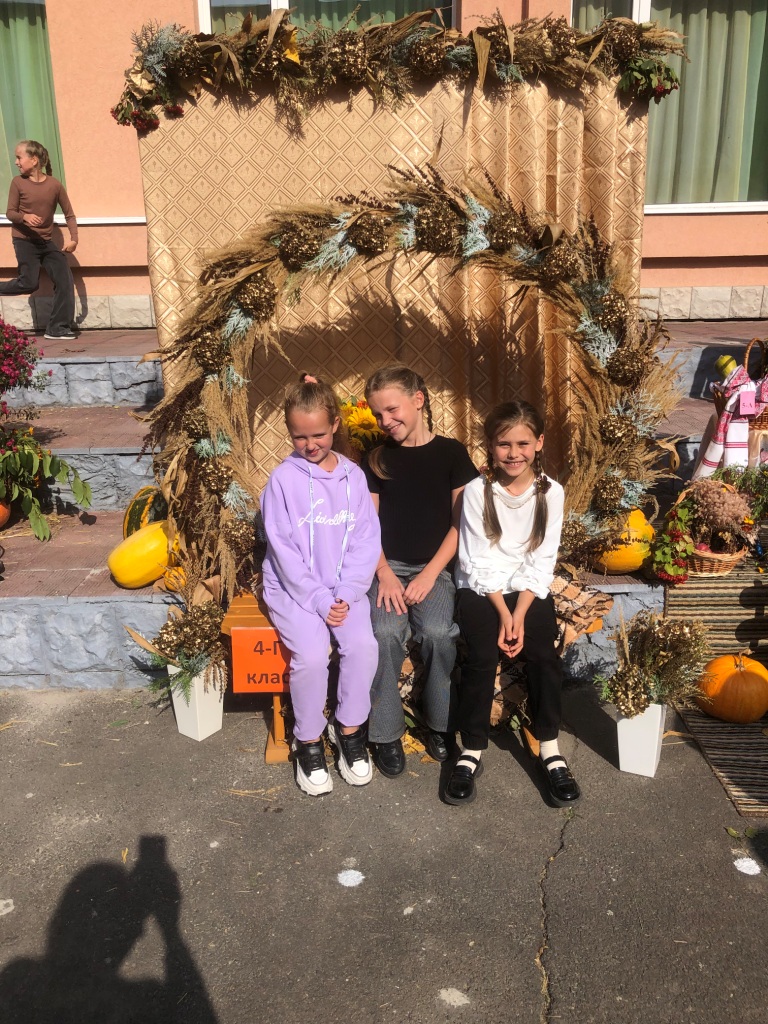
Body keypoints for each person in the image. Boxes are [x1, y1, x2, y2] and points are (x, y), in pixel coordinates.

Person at [446, 400, 580, 807]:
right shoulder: (477, 491)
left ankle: (549, 747)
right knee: (482, 654)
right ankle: (471, 749)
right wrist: (504, 615)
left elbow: (542, 558)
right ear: (490, 445)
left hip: (525, 588)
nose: (513, 453)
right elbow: (476, 558)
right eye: (503, 444)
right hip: (481, 587)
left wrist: (520, 613)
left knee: (543, 653)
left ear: (539, 443)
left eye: (523, 443)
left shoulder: (550, 493)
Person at [261, 374, 381, 797]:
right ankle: (308, 739)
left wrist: (346, 593)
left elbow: (366, 540)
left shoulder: (354, 477)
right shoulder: (282, 480)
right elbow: (283, 548)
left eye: (318, 434)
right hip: (295, 590)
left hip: (344, 591)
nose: (310, 444)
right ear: (289, 431)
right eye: (299, 436)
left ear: (335, 425)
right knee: (312, 657)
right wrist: (316, 598)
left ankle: (348, 730)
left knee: (363, 647)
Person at [364, 365, 478, 777]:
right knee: (384, 634)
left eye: (392, 410)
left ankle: (440, 724)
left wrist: (431, 574)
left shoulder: (451, 454)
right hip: (386, 566)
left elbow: (460, 523)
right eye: (377, 414)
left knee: (438, 634)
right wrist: (383, 572)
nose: (385, 421)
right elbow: (367, 525)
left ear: (418, 400)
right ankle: (386, 733)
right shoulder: (376, 459)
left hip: (436, 567)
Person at [1, 140, 78, 340]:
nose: (16, 162)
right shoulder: (18, 183)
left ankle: (57, 328)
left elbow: (69, 215)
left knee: (64, 279)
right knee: (29, 283)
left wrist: (74, 239)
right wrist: (24, 217)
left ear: (34, 160)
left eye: (19, 157)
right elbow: (10, 213)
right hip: (24, 240)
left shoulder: (54, 185)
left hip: (45, 242)